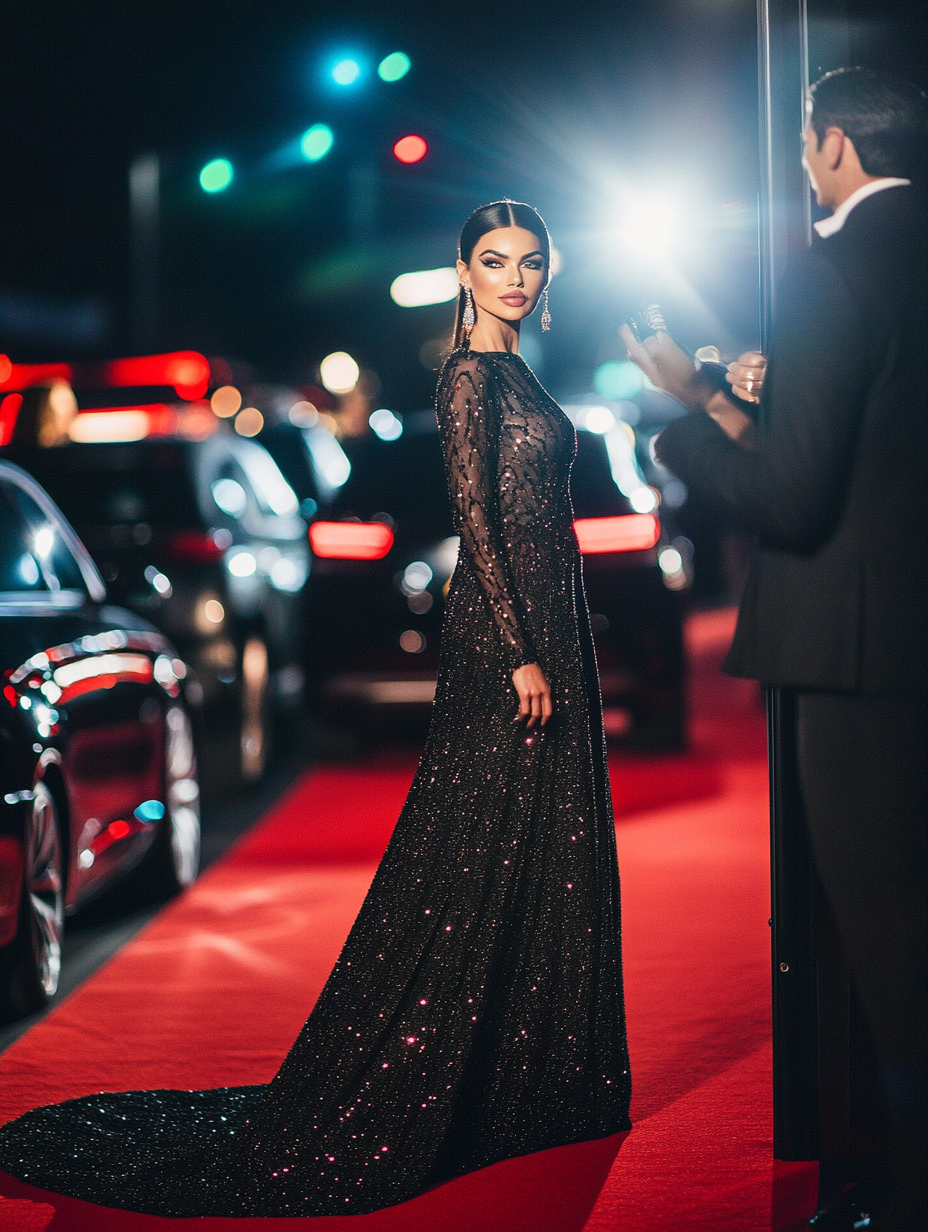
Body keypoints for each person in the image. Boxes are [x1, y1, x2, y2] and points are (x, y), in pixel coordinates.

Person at [0, 200, 631, 1215]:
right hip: (508, 640)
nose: (516, 278)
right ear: (461, 270)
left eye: (530, 262)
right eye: (495, 261)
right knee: (470, 846)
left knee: (538, 842)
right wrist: (516, 648)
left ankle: (532, 1076)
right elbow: (477, 523)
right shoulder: (470, 378)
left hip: (555, 629)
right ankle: (441, 1070)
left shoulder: (517, 371)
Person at [621, 68, 927, 1232]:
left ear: (835, 144)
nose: (802, 155)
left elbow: (793, 501)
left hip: (856, 659)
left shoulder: (833, 267)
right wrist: (720, 393)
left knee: (891, 949)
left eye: (806, 137)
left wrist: (680, 430)